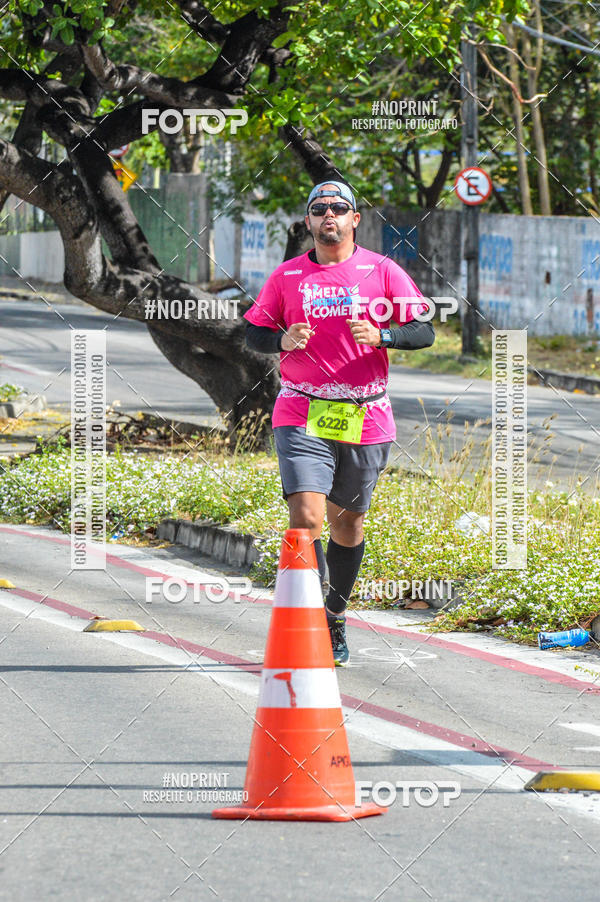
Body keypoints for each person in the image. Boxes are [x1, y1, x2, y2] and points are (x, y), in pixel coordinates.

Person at [244, 181, 435, 664]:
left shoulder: (382, 270)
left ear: (355, 219)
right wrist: (282, 341)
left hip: (364, 412)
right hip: (301, 408)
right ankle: (305, 621)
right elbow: (253, 332)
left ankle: (333, 615)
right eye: (318, 209)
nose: (328, 215)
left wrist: (383, 333)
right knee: (306, 517)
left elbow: (424, 329)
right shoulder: (287, 276)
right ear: (307, 222)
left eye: (338, 208)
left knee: (347, 524)